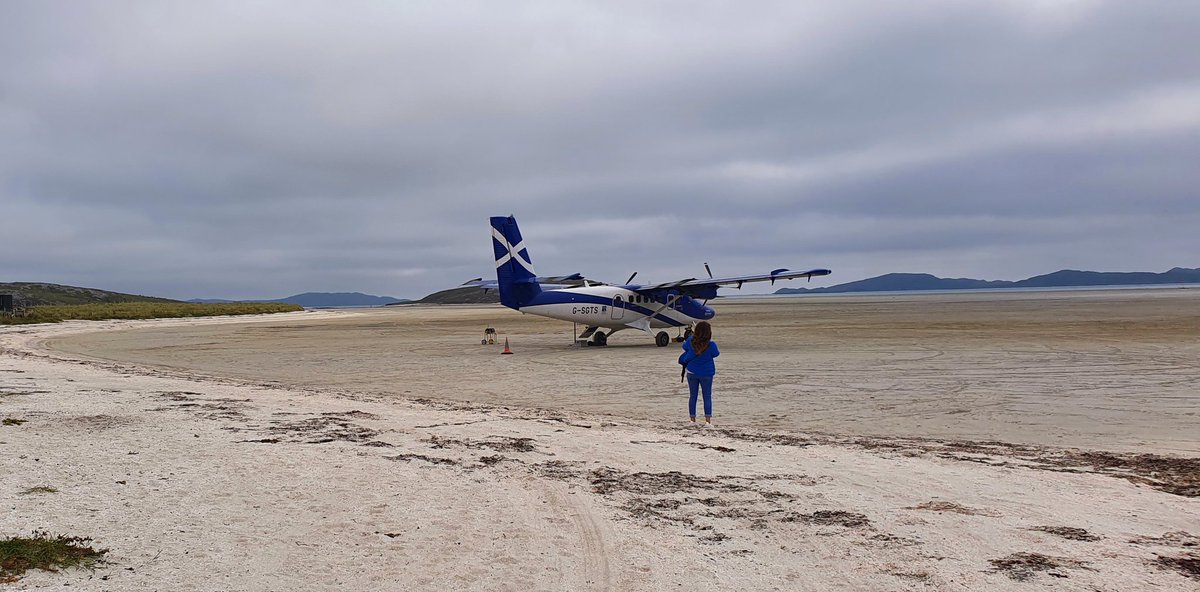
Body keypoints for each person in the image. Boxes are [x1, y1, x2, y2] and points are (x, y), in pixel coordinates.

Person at [678, 321, 720, 427]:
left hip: (692, 372)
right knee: (707, 396)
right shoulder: (711, 345)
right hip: (707, 373)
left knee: (693, 396)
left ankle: (692, 420)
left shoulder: (690, 341)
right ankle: (708, 421)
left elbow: (684, 347)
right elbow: (716, 354)